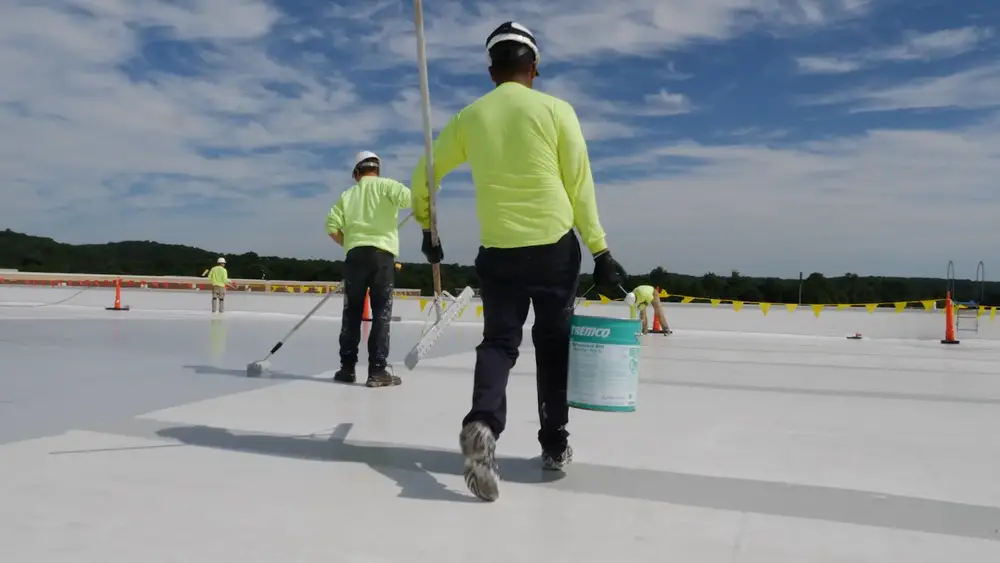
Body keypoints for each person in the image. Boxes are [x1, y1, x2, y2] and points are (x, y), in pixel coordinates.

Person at [409, 21, 629, 502]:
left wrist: (429, 229)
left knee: (499, 343)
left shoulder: (470, 117)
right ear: (534, 67)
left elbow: (425, 173)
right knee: (552, 344)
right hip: (553, 247)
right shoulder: (557, 110)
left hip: (499, 250)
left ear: (492, 72)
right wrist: (601, 251)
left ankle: (482, 423)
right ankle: (554, 445)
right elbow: (579, 184)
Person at [326, 150, 411, 388]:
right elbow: (411, 200)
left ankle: (347, 369)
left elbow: (331, 226)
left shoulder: (348, 195)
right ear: (378, 169)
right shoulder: (389, 187)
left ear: (356, 173)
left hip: (354, 257)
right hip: (382, 257)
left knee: (351, 314)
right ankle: (377, 371)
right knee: (381, 314)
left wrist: (350, 243)